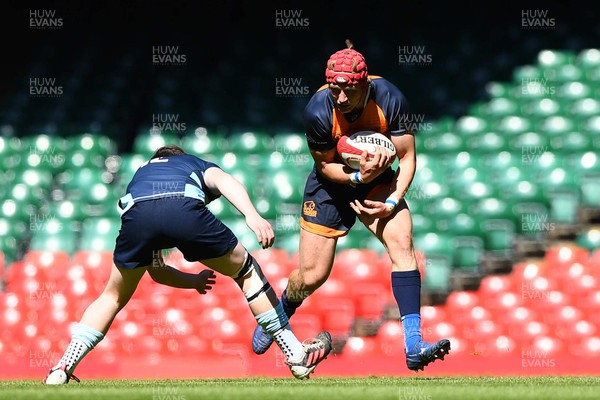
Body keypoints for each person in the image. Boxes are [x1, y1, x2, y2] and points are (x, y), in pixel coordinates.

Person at [43, 145, 332, 384]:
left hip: (138, 216)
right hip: (184, 209)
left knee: (112, 296)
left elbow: (154, 268)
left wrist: (191, 281)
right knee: (245, 271)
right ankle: (295, 354)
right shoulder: (191, 163)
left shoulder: (140, 174)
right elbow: (225, 181)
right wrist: (251, 216)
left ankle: (61, 369)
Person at [252, 41, 450, 371]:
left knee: (403, 245)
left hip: (379, 180)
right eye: (335, 89)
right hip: (330, 186)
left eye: (348, 90)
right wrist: (359, 176)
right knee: (313, 276)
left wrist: (391, 199)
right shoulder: (317, 111)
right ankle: (283, 309)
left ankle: (414, 345)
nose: (341, 98)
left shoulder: (390, 98)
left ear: (365, 84)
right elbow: (326, 166)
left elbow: (408, 157)